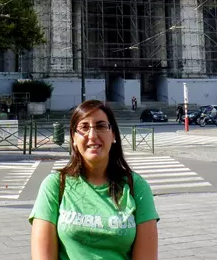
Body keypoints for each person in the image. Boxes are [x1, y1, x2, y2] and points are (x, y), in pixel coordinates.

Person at [30, 99, 159, 260]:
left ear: (113, 135)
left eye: (101, 126)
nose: (92, 135)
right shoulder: (55, 185)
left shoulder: (136, 186)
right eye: (84, 127)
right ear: (74, 138)